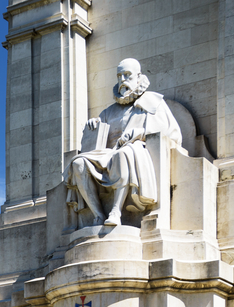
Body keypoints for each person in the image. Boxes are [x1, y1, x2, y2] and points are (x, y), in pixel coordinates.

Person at [65, 57, 182, 227]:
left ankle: (115, 211)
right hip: (107, 154)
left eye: (127, 75)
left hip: (133, 151)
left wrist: (141, 133)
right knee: (78, 163)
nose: (122, 80)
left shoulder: (152, 102)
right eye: (119, 76)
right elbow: (97, 141)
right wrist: (94, 125)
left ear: (138, 76)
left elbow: (172, 133)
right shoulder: (108, 112)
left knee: (124, 153)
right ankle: (98, 215)